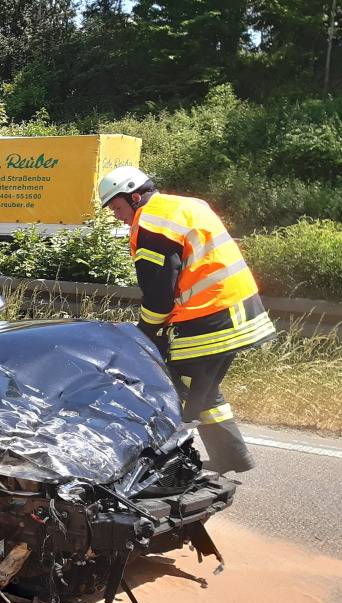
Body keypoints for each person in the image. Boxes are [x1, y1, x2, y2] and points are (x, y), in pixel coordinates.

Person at [98, 165, 275, 473]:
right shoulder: (186, 205)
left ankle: (165, 464)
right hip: (240, 307)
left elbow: (158, 294)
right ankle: (232, 457)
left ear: (135, 197)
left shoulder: (152, 223)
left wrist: (146, 334)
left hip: (210, 314)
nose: (117, 215)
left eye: (117, 207)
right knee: (200, 387)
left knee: (169, 385)